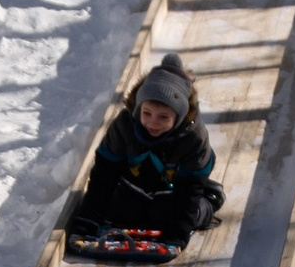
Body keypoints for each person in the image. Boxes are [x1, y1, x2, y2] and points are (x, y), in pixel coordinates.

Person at [66, 59, 225, 256]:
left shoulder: (192, 137)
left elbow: (188, 191)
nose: (153, 123)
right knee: (122, 210)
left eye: (163, 117)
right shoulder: (124, 125)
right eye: (147, 113)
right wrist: (88, 220)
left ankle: (209, 200)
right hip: (136, 185)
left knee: (170, 213)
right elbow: (104, 175)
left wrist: (178, 233)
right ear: (138, 109)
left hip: (176, 190)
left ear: (178, 117)